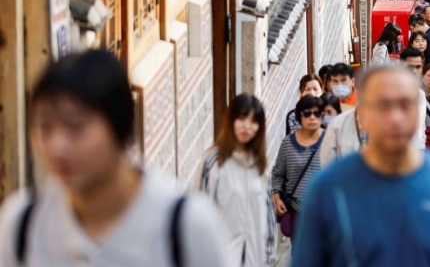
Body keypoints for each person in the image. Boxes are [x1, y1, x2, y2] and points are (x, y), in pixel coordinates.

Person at [0, 50, 228, 267]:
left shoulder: (185, 228)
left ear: (120, 126)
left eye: (75, 127)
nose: (57, 147)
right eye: (45, 128)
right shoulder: (22, 226)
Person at [293, 65, 430, 266]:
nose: (395, 118)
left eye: (405, 105)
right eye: (383, 105)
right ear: (362, 112)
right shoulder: (328, 188)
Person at [199, 94, 276, 267]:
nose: (247, 127)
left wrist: (268, 255)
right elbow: (201, 209)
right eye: (242, 119)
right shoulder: (214, 161)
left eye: (254, 121)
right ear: (231, 120)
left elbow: (268, 212)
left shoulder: (259, 165)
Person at [272, 95, 324, 239]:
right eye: (307, 113)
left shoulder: (331, 140)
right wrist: (277, 198)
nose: (312, 117)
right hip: (297, 210)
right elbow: (277, 174)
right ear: (299, 116)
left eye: (317, 113)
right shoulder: (287, 143)